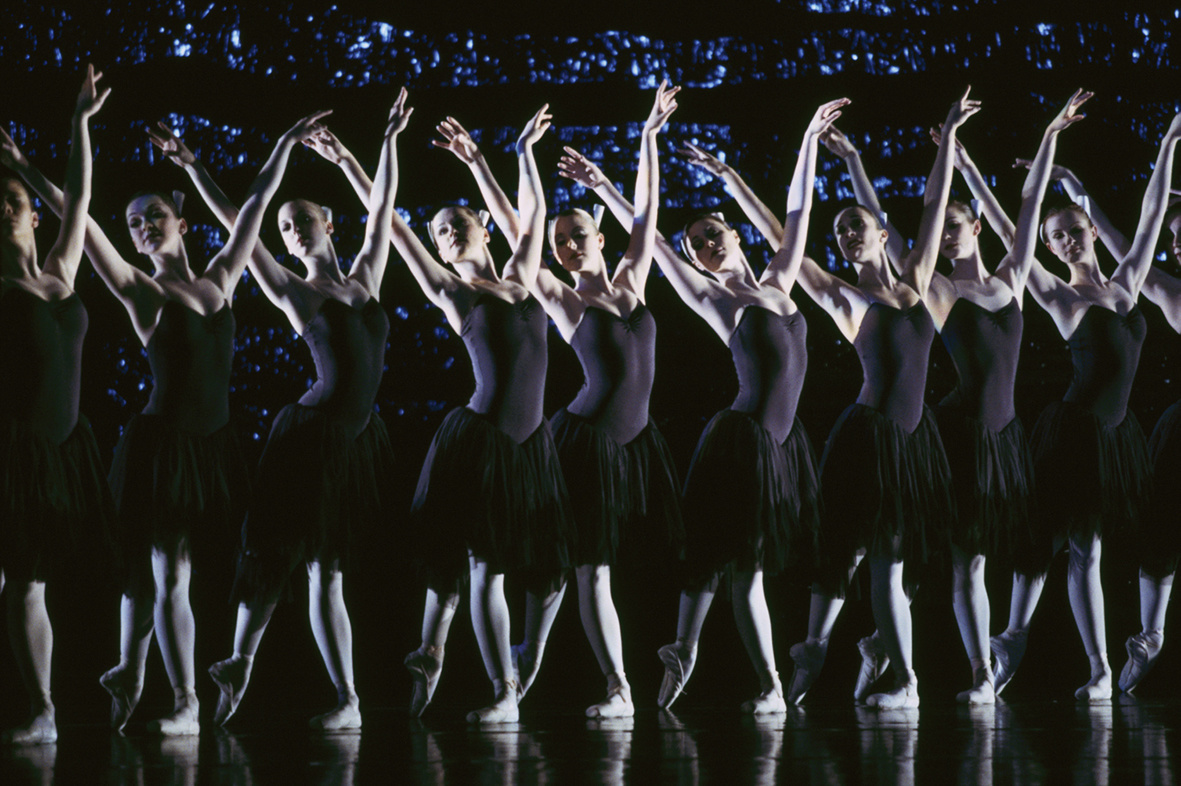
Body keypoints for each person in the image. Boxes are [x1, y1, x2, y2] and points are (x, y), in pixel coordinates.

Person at [10, 95, 329, 733]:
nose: (143, 227)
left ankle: (139, 669)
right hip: (164, 446)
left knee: (234, 561)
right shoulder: (140, 289)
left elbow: (257, 204)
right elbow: (78, 220)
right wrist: (27, 165)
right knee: (167, 571)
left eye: (154, 215)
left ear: (180, 219)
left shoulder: (221, 278)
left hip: (217, 445)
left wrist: (287, 142)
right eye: (134, 224)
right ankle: (181, 698)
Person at [569, 98, 847, 712]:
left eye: (712, 235)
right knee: (732, 562)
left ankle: (695, 649)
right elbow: (653, 243)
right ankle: (747, 675)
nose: (705, 247)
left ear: (733, 231)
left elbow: (797, 213)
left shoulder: (777, 280)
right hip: (742, 440)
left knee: (743, 566)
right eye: (697, 245)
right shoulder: (713, 299)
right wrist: (605, 187)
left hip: (782, 444)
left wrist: (805, 136)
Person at [151, 92, 406, 729]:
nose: (291, 232)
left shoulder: (365, 277)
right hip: (311, 436)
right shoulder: (293, 290)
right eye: (285, 227)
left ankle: (346, 699)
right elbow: (239, 219)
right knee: (278, 553)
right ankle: (240, 659)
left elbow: (382, 210)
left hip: (355, 442)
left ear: (328, 221)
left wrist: (385, 140)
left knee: (328, 569)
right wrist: (190, 166)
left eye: (301, 220)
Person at [432, 83, 680, 719]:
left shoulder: (631, 278)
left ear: (600, 235)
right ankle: (611, 685)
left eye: (580, 235)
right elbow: (525, 226)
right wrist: (486, 162)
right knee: (579, 568)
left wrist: (647, 137)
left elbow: (647, 215)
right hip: (585, 442)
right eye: (562, 240)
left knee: (568, 568)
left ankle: (527, 659)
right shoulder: (560, 297)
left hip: (634, 445)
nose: (568, 245)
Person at [785, 91, 983, 710]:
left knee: (894, 558)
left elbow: (931, 203)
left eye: (856, 226)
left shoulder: (919, 277)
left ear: (880, 232)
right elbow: (783, 230)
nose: (846, 236)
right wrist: (807, 147)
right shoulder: (842, 297)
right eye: (839, 230)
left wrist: (948, 135)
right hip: (868, 435)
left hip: (913, 439)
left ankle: (887, 664)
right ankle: (859, 660)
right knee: (860, 552)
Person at [388, 103, 571, 723]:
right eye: (438, 232)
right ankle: (500, 691)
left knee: (551, 573)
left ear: (482, 227)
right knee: (481, 565)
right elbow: (393, 226)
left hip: (532, 446)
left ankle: (498, 655)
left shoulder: (523, 276)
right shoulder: (451, 291)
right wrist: (368, 162)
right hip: (483, 438)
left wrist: (506, 156)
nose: (445, 235)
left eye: (456, 223)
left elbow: (536, 217)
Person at [995, 110, 1181, 697]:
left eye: (1077, 229)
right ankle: (1020, 638)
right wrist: (991, 162)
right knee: (1056, 543)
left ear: (1094, 232)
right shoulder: (1058, 294)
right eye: (1057, 237)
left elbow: (1152, 216)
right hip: (1073, 432)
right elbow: (1009, 232)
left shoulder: (1127, 284)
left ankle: (1094, 666)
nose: (1070, 240)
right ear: (1048, 249)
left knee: (1085, 549)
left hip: (1115, 436)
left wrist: (1171, 139)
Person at [0, 65, 113, 745]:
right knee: (15, 576)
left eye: (11, 195)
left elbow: (80, 203)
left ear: (31, 208)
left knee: (30, 580)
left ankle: (43, 709)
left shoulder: (60, 272)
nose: (2, 207)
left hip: (59, 451)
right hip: (11, 445)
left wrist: (77, 124)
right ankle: (35, 704)